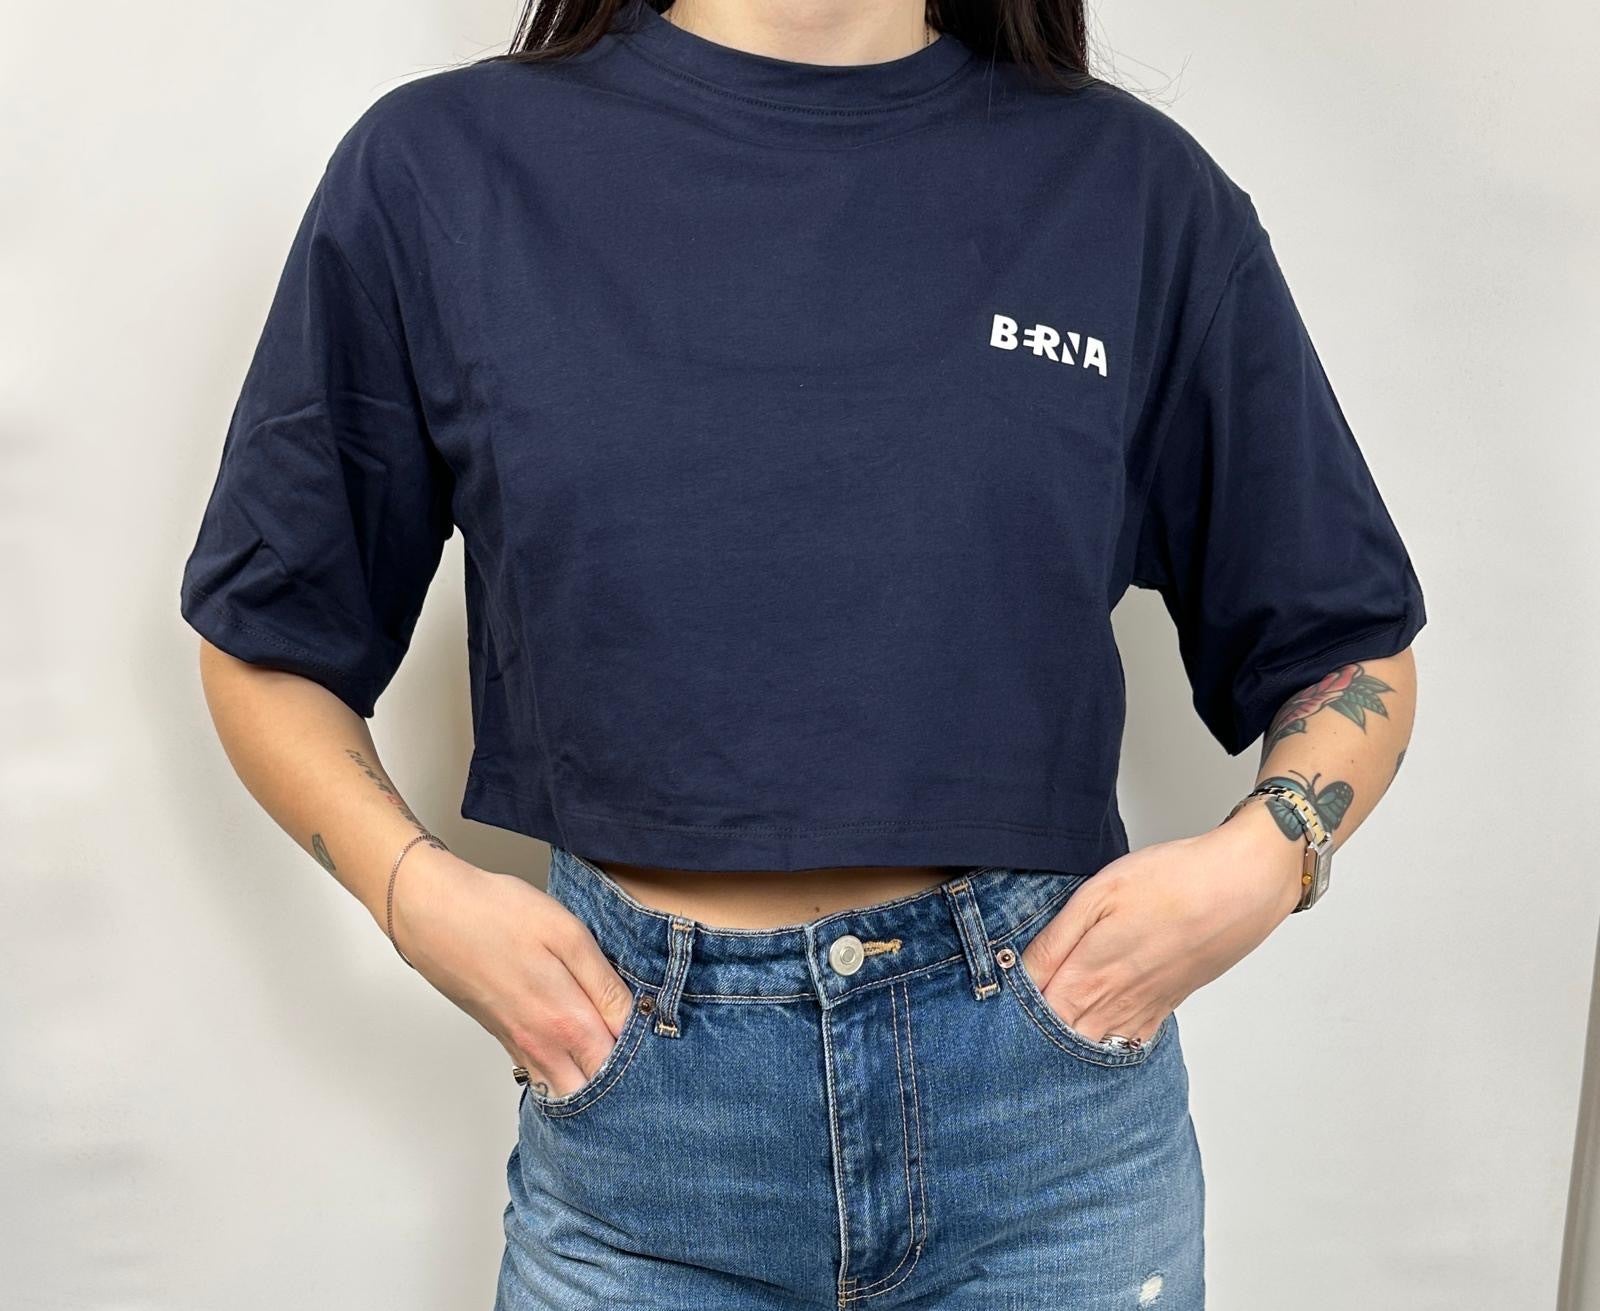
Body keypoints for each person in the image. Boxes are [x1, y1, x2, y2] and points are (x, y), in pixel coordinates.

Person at [178, 0, 1426, 1306]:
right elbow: (268, 644)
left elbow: (1351, 647)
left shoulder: (1134, 192)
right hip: (638, 1139)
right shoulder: (441, 172)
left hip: (1051, 1149)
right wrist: (414, 896)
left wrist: (1263, 864)